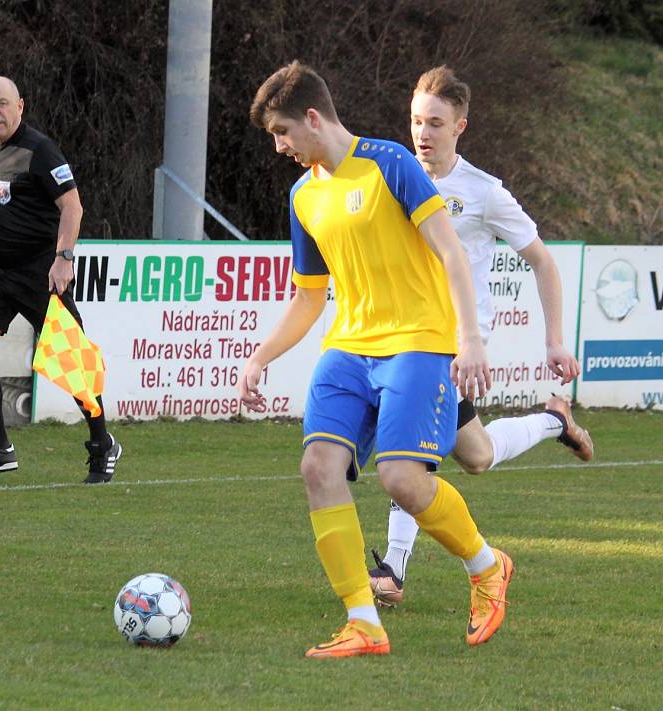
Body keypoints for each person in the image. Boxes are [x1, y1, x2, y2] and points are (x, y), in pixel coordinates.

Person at [242, 60, 513, 657]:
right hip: (348, 347)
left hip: (419, 341)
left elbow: (450, 252)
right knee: (317, 467)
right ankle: (363, 623)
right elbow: (310, 296)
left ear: (313, 117)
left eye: (283, 132)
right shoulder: (304, 194)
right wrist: (261, 356)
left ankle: (487, 567)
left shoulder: (390, 163)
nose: (280, 146)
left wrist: (469, 339)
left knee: (402, 479)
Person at [368, 65, 594, 607]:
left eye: (436, 123)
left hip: (453, 345)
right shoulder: (392, 176)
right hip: (399, 333)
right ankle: (552, 419)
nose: (423, 133)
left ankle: (393, 568)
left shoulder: (484, 192)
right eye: (417, 121)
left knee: (412, 453)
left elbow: (542, 262)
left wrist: (555, 341)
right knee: (477, 455)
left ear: (460, 128)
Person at [0, 75, 121, 484]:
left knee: (72, 365)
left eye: (2, 103)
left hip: (39, 274)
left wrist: (64, 258)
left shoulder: (39, 151)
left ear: (20, 106)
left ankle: (103, 443)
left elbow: (72, 206)